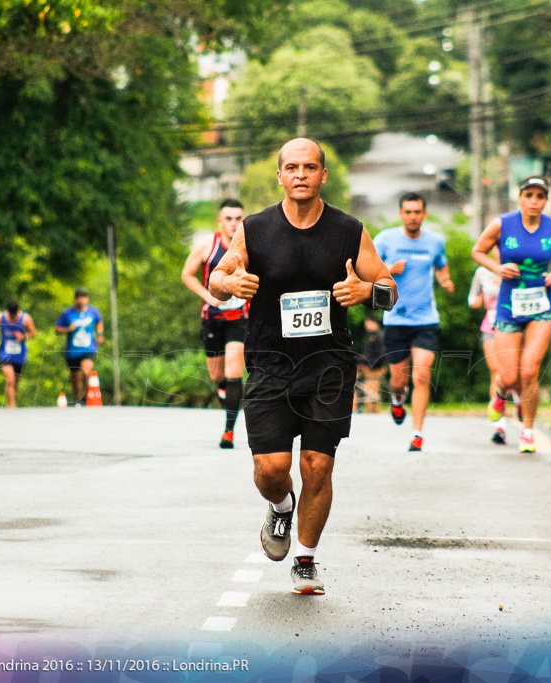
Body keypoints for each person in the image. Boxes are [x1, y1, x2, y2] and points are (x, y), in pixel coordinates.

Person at [209, 138, 396, 595]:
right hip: (271, 366)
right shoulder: (254, 229)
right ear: (279, 176)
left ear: (323, 175)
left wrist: (366, 293)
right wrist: (229, 282)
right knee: (271, 469)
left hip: (329, 367)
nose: (300, 175)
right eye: (291, 167)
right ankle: (280, 507)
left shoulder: (349, 230)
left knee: (317, 465)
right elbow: (216, 281)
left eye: (309, 167)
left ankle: (306, 559)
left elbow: (390, 288)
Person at [472, 175, 551, 454]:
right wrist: (497, 268)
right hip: (507, 305)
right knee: (510, 376)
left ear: (545, 201)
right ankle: (501, 394)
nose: (534, 202)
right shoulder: (503, 224)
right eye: (529, 195)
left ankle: (527, 432)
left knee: (529, 371)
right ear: (520, 197)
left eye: (540, 197)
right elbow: (477, 251)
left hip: (542, 305)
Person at [373, 192, 454, 452]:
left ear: (424, 214)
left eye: (417, 212)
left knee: (421, 375)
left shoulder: (435, 242)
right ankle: (398, 400)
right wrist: (388, 270)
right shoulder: (386, 239)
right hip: (395, 318)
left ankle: (417, 434)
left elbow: (441, 266)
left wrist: (445, 281)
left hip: (426, 320)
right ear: (400, 214)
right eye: (407, 212)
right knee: (398, 381)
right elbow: (367, 268)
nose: (412, 216)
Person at [181, 198, 249, 448]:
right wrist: (207, 295)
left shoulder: (248, 246)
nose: (233, 224)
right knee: (216, 375)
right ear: (220, 222)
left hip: (239, 319)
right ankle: (226, 395)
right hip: (212, 319)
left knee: (234, 371)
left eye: (238, 218)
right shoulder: (207, 245)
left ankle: (228, 433)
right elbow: (187, 274)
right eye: (228, 219)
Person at [468, 259, 508, 444]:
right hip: (490, 326)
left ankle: (522, 407)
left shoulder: (518, 266)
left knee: (514, 375)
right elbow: (472, 297)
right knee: (497, 372)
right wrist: (475, 301)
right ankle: (499, 426)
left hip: (515, 326)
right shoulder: (482, 272)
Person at [55, 288, 104, 406]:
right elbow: (57, 329)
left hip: (88, 348)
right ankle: (78, 399)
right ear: (75, 299)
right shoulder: (68, 313)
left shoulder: (93, 312)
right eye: (79, 297)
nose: (81, 300)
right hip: (72, 350)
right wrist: (68, 329)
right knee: (75, 377)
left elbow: (99, 322)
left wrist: (100, 334)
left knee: (86, 372)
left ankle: (86, 398)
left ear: (87, 299)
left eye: (83, 297)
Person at [0, 300, 36, 408]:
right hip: (5, 353)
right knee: (10, 379)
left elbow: (33, 333)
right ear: (8, 312)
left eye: (15, 316)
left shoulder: (25, 319)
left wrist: (23, 336)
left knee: (16, 382)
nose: (13, 319)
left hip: (20, 355)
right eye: (11, 316)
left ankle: (10, 402)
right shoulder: (0, 317)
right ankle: (12, 406)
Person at [355, 318, 386, 414]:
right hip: (367, 368)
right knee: (368, 392)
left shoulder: (379, 336)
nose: (366, 326)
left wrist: (371, 365)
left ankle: (374, 414)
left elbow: (381, 354)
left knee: (373, 394)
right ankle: (370, 412)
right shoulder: (369, 336)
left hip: (374, 369)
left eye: (368, 323)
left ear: (375, 323)